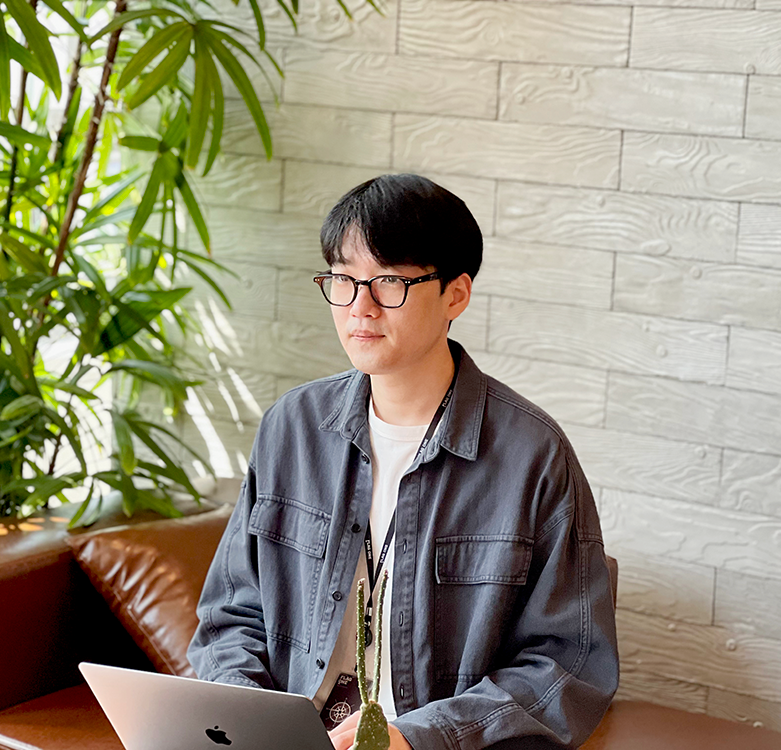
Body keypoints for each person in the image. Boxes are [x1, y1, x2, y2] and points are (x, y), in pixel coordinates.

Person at [187, 173, 618, 749]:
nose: (359, 307)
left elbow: (567, 666)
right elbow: (230, 616)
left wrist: (418, 738)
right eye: (344, 279)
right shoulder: (292, 427)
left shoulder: (532, 455)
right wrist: (248, 720)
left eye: (389, 282)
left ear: (455, 295)